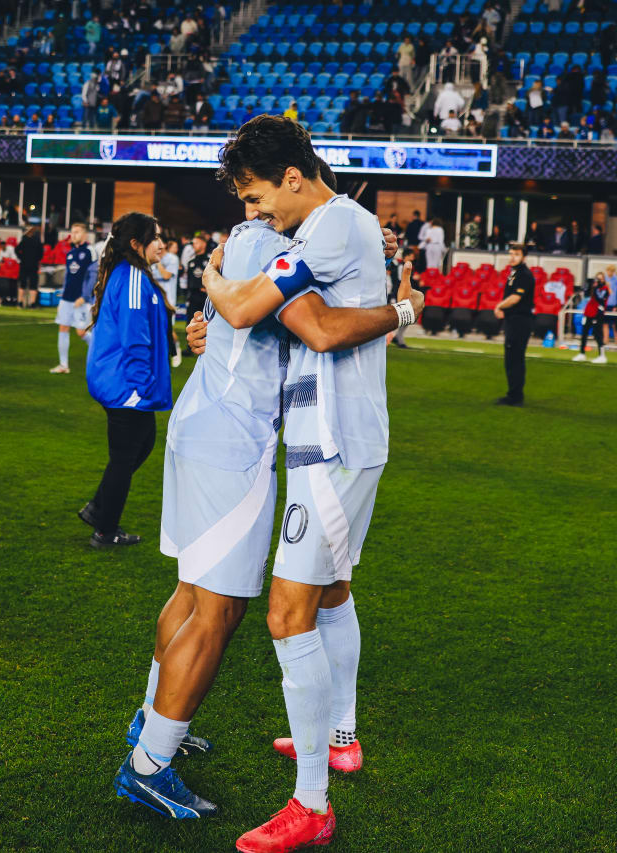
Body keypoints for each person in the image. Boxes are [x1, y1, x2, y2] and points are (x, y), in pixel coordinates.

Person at [161, 116, 414, 851]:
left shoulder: (338, 226)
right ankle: (341, 736)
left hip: (336, 442)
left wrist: (208, 278)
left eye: (256, 195)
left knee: (285, 611)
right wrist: (212, 330)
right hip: (321, 438)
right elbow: (266, 321)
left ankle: (313, 804)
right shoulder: (326, 232)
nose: (256, 210)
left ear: (294, 179)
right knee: (330, 592)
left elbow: (314, 326)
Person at [82, 213, 173, 549]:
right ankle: (105, 530)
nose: (162, 244)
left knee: (143, 441)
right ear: (136, 244)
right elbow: (135, 337)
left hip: (125, 382)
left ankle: (98, 509)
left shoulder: (133, 275)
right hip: (125, 384)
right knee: (125, 455)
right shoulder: (132, 276)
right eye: (156, 238)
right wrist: (138, 386)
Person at [50, 222, 96, 374]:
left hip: (81, 300)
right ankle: (63, 365)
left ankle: (100, 356)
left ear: (84, 234)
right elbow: (69, 275)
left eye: (77, 232)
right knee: (63, 327)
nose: (73, 235)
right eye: (72, 232)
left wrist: (85, 296)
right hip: (67, 298)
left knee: (81, 332)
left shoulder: (90, 251)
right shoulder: (70, 253)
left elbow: (93, 276)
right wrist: (63, 294)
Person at [494, 242, 535, 405]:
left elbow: (515, 298)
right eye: (511, 254)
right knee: (511, 359)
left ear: (524, 257)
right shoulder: (514, 273)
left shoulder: (524, 275)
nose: (512, 257)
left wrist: (499, 306)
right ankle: (513, 393)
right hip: (513, 320)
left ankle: (515, 396)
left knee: (515, 359)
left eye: (516, 254)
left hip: (520, 321)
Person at [574, 273, 610, 364]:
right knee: (584, 333)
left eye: (600, 279)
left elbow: (600, 298)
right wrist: (590, 286)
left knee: (598, 334)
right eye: (597, 279)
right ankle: (582, 353)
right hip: (589, 313)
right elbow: (586, 293)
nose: (598, 281)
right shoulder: (594, 288)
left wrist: (596, 288)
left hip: (598, 314)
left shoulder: (604, 289)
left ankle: (602, 355)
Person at [183, 232, 211, 329]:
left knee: (206, 326)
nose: (194, 245)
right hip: (193, 298)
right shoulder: (191, 261)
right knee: (191, 325)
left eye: (196, 243)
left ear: (203, 244)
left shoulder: (210, 260)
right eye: (193, 243)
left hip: (206, 297)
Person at [17, 226, 42, 308]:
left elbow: (17, 249)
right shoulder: (37, 240)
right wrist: (36, 259)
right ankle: (32, 303)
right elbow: (41, 253)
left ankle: (20, 303)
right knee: (32, 285)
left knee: (23, 284)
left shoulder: (24, 239)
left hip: (24, 264)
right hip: (33, 264)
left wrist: (21, 257)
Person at [153, 239, 181, 310]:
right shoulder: (151, 259)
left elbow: (166, 276)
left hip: (168, 300)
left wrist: (158, 260)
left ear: (164, 245)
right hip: (154, 298)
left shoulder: (172, 258)